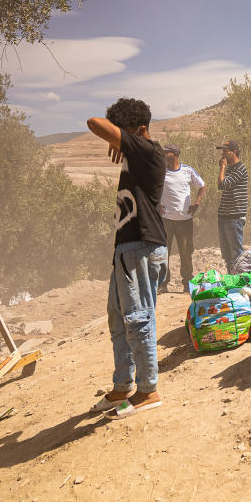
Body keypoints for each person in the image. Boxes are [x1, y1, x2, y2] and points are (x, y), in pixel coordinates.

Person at [86, 98, 167, 419]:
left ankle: (148, 391)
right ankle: (123, 386)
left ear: (140, 130)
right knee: (118, 318)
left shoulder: (149, 151)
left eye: (123, 132)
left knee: (137, 318)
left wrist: (119, 137)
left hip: (142, 247)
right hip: (128, 248)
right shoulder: (137, 155)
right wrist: (122, 140)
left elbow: (93, 122)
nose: (116, 139)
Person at [159, 144, 205, 291]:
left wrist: (196, 203)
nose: (164, 154)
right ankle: (163, 283)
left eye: (166, 152)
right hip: (165, 219)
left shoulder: (187, 170)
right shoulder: (160, 171)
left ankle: (187, 283)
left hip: (184, 220)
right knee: (163, 251)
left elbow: (202, 185)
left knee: (185, 252)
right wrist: (156, 204)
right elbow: (153, 188)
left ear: (174, 154)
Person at [216, 139, 248, 272]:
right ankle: (231, 280)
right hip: (225, 216)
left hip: (234, 217)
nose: (223, 154)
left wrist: (222, 168)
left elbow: (222, 185)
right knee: (227, 254)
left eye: (225, 151)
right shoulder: (231, 169)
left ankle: (238, 281)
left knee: (236, 254)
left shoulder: (240, 169)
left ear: (234, 152)